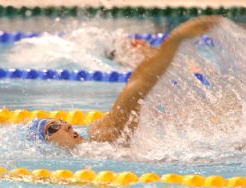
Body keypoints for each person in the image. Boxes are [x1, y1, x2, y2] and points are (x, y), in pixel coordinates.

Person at [28, 15, 222, 149]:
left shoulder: (101, 136)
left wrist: (176, 39)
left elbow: (136, 89)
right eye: (53, 128)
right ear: (44, 145)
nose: (68, 126)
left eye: (62, 122)